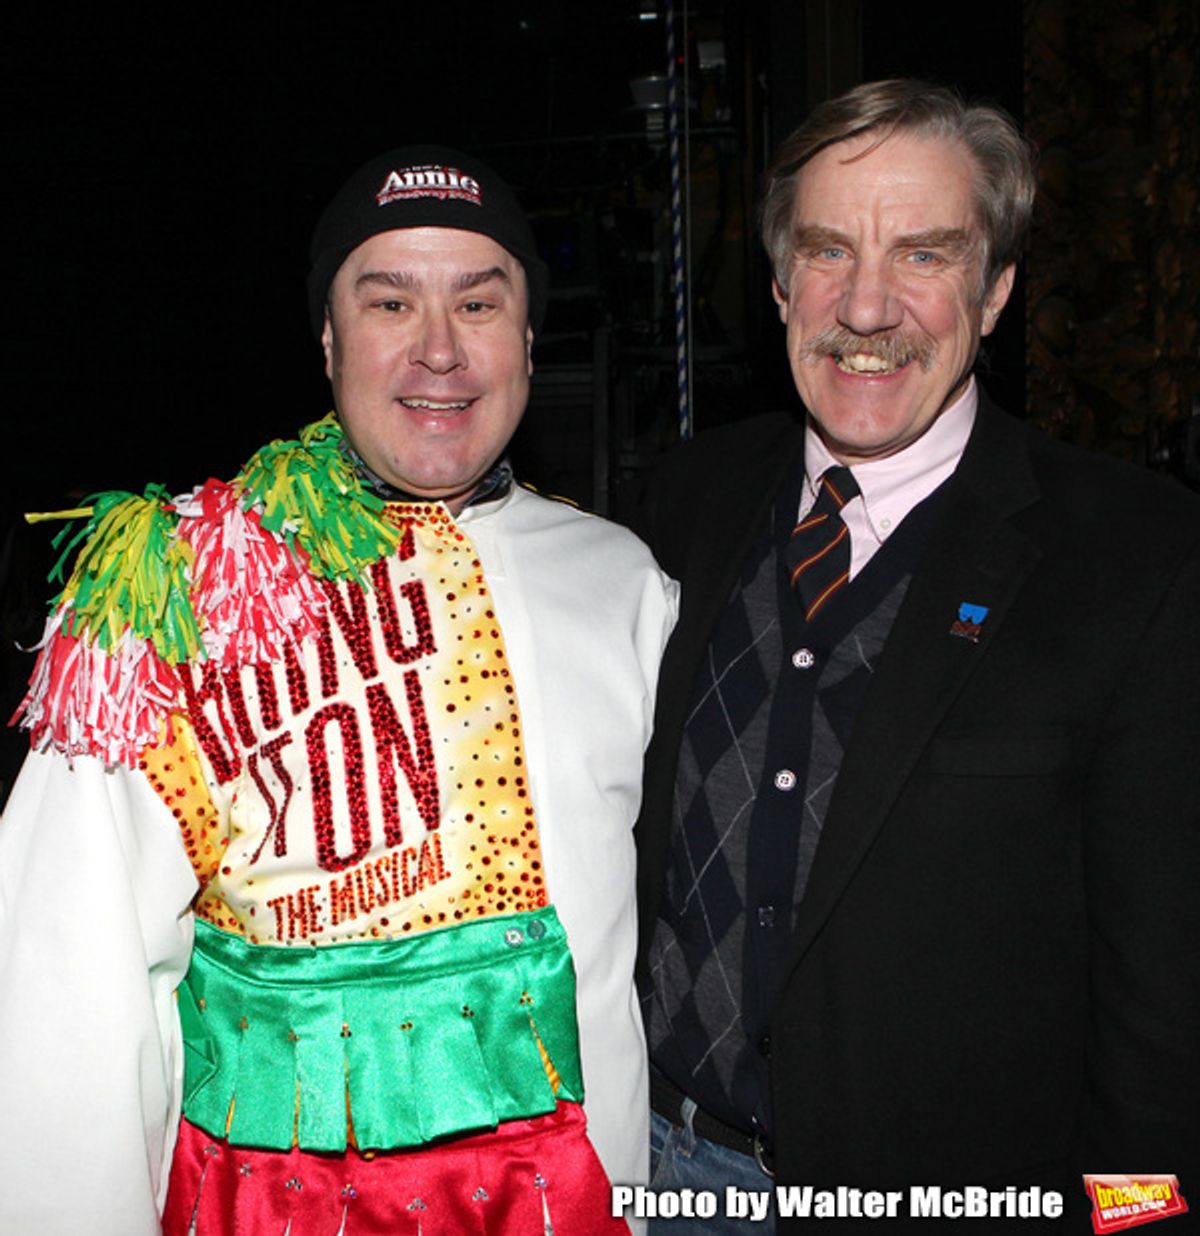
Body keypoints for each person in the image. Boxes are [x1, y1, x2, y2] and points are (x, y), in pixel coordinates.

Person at [0, 145, 677, 1234]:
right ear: (327, 337)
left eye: (480, 301)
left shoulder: (622, 581)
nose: (441, 350)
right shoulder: (175, 590)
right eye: (390, 301)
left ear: (529, 334)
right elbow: (60, 999)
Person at [636, 79, 1199, 1232]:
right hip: (661, 1173)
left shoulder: (1139, 561)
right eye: (830, 251)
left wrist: (1139, 1221)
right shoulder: (684, 505)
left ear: (994, 292)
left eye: (926, 256)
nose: (869, 305)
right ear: (784, 280)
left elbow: (1166, 1003)